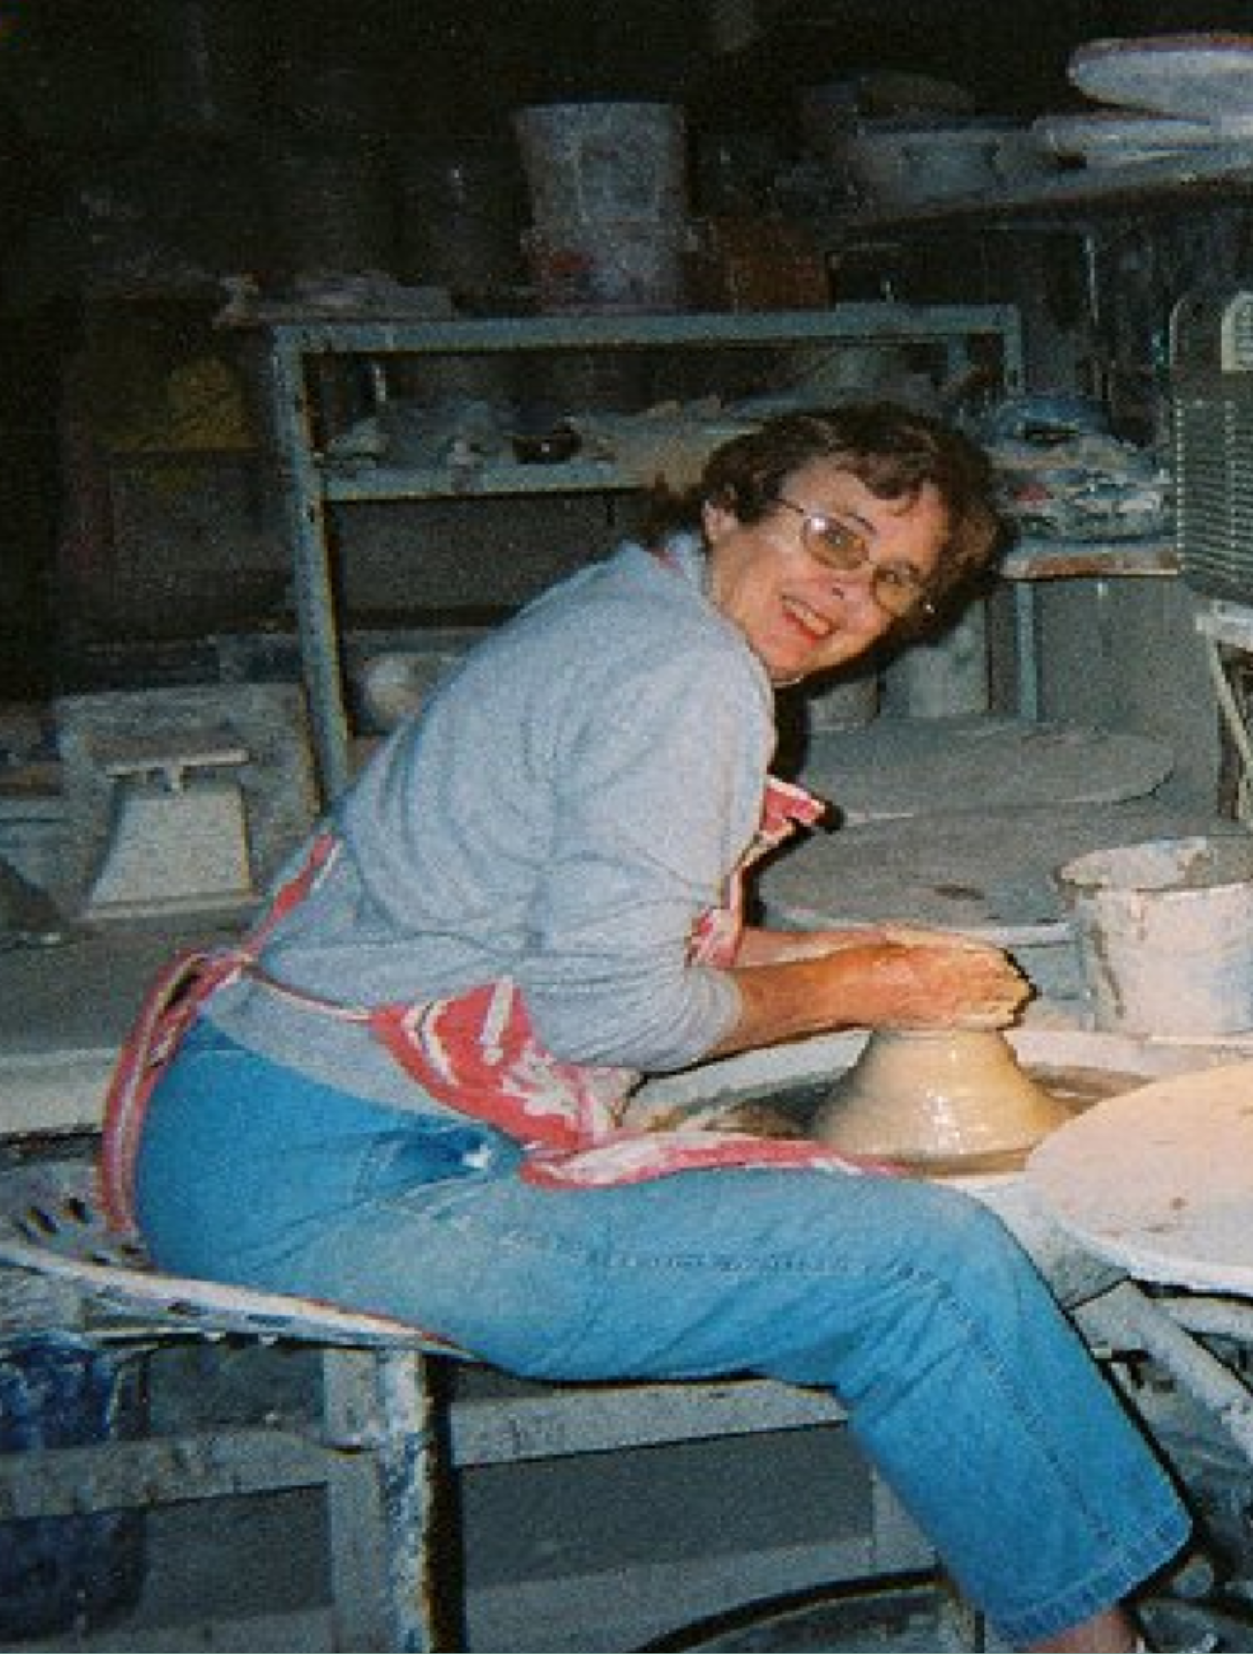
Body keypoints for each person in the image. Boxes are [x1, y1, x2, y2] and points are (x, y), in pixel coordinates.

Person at [104, 402, 1190, 1651]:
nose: (846, 593)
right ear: (728, 507)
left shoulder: (629, 606)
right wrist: (856, 990)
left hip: (243, 1124)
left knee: (895, 1246)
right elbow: (616, 1006)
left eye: (890, 578)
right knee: (922, 1268)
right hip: (338, 1183)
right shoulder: (689, 677)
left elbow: (583, 918)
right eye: (831, 534)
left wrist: (848, 953)